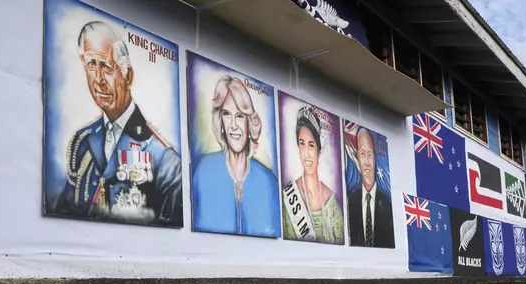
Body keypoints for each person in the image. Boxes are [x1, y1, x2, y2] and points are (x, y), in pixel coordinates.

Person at [55, 21, 182, 226]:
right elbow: (63, 214)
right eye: (91, 65)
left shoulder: (164, 159)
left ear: (127, 76)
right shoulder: (84, 142)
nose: (98, 79)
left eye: (105, 66)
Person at [192, 76, 280, 237]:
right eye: (226, 114)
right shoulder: (203, 171)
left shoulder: (268, 181)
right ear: (221, 123)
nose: (233, 125)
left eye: (240, 116)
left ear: (249, 123)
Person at [282, 106, 343, 244]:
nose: (306, 153)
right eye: (302, 144)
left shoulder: (332, 204)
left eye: (311, 145)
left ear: (318, 149)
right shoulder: (289, 197)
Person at [347, 128, 394, 248]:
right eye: (363, 154)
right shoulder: (350, 203)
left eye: (369, 154)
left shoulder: (388, 204)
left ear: (374, 158)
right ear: (357, 158)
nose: (367, 161)